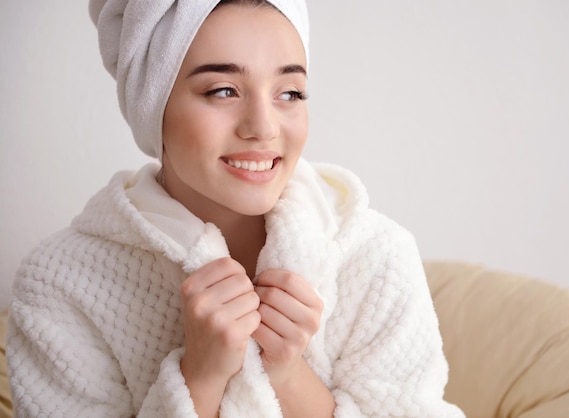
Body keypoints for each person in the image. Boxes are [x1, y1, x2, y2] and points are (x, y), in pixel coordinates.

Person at [6, 0, 465, 417]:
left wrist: (286, 373)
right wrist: (200, 378)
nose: (263, 128)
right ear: (154, 106)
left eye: (289, 93)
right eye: (224, 90)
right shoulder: (61, 284)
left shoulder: (376, 257)